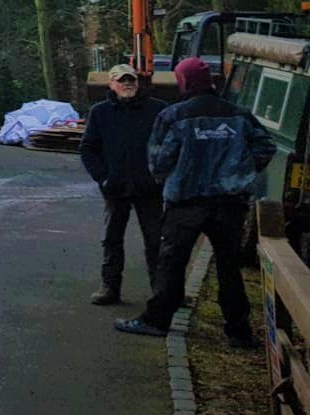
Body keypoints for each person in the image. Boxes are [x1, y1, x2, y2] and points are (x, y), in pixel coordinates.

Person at [115, 56, 276, 344]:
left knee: (172, 263)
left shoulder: (174, 116)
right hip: (230, 203)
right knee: (229, 268)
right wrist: (240, 171)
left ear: (184, 81)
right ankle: (239, 331)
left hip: (186, 202)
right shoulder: (238, 114)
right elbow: (265, 147)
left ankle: (157, 320)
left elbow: (158, 160)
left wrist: (171, 178)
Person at [79, 64, 166, 305]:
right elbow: (87, 149)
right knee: (111, 238)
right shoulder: (100, 113)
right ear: (112, 84)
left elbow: (170, 145)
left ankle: (162, 291)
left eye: (131, 80)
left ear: (138, 83)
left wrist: (160, 175)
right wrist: (103, 178)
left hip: (149, 189)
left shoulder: (158, 110)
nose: (127, 84)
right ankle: (109, 287)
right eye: (121, 80)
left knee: (156, 240)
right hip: (115, 188)